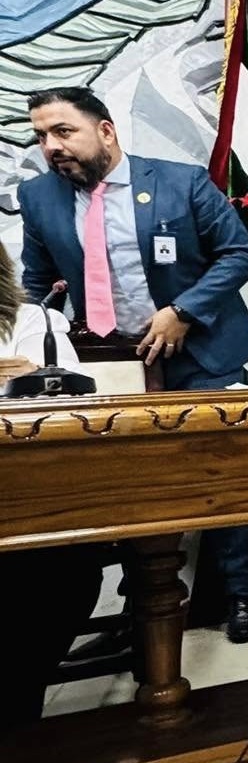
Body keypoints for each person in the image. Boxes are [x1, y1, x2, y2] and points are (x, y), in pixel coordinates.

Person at [19, 87, 248, 643]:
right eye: (41, 136)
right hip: (112, 366)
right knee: (132, 484)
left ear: (105, 131)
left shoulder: (181, 182)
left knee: (223, 475)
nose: (51, 146)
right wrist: (37, 342)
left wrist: (184, 312)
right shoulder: (38, 197)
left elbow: (240, 254)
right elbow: (37, 282)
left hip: (200, 355)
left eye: (63, 131)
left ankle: (240, 595)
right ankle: (143, 605)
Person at [0, 244, 104, 727]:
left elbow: (66, 402)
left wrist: (30, 381)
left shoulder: (33, 323)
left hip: (26, 499)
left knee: (63, 574)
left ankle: (20, 724)